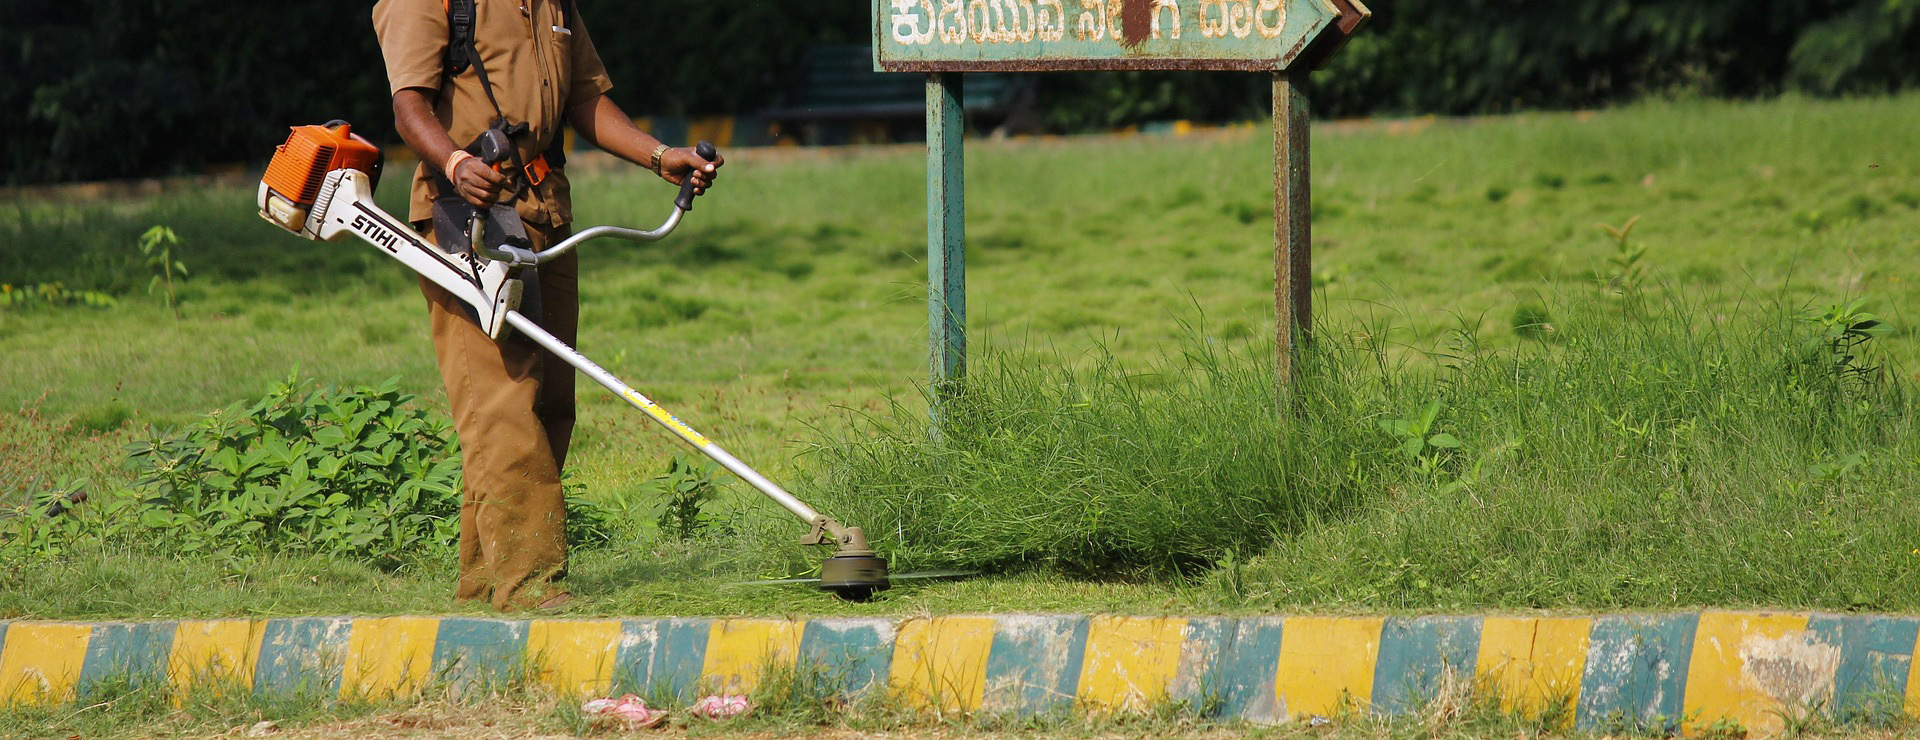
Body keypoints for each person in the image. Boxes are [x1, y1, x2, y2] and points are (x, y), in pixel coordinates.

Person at [372, 0, 721, 611]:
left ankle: (485, 582)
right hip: (466, 217)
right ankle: (531, 585)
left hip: (545, 213)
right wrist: (455, 162)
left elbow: (584, 97)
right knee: (503, 405)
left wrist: (659, 155)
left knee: (550, 402)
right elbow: (409, 107)